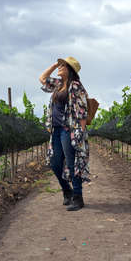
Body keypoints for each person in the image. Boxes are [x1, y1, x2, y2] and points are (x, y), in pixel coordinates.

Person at [39, 57, 90, 211]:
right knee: (54, 163)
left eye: (63, 66)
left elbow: (82, 110)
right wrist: (55, 65)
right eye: (59, 65)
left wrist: (80, 132)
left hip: (69, 130)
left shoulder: (74, 86)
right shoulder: (59, 84)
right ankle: (67, 190)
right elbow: (42, 79)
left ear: (70, 69)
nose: (60, 67)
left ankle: (78, 197)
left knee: (72, 162)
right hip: (56, 130)